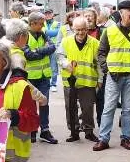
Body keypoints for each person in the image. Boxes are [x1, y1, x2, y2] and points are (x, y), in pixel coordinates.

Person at [95, 0, 130, 151]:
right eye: (129, 10)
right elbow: (101, 52)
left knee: (129, 108)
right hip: (114, 76)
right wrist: (106, 69)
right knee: (109, 107)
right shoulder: (110, 31)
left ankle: (126, 138)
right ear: (121, 13)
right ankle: (103, 139)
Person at [57, 17, 100, 142]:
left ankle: (89, 131)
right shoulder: (66, 41)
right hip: (69, 80)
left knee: (87, 108)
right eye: (78, 30)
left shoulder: (95, 43)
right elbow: (60, 57)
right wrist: (66, 64)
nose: (80, 33)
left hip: (87, 81)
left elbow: (99, 63)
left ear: (87, 29)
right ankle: (73, 132)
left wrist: (100, 79)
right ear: (73, 29)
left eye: (83, 30)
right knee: (70, 108)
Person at [24, 12, 58, 144]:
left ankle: (45, 130)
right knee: (31, 105)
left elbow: (52, 47)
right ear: (32, 24)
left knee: (44, 103)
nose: (43, 26)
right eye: (41, 23)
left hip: (44, 76)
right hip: (31, 77)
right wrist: (43, 51)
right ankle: (32, 130)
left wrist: (37, 51)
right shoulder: (25, 35)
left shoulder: (42, 34)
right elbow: (28, 55)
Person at [43, 9, 61, 91]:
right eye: (46, 14)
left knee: (53, 66)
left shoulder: (57, 23)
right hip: (45, 47)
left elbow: (57, 32)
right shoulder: (42, 23)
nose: (47, 15)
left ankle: (53, 84)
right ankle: (47, 82)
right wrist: (49, 32)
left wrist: (46, 32)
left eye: (49, 14)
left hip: (54, 47)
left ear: (52, 14)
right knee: (46, 65)